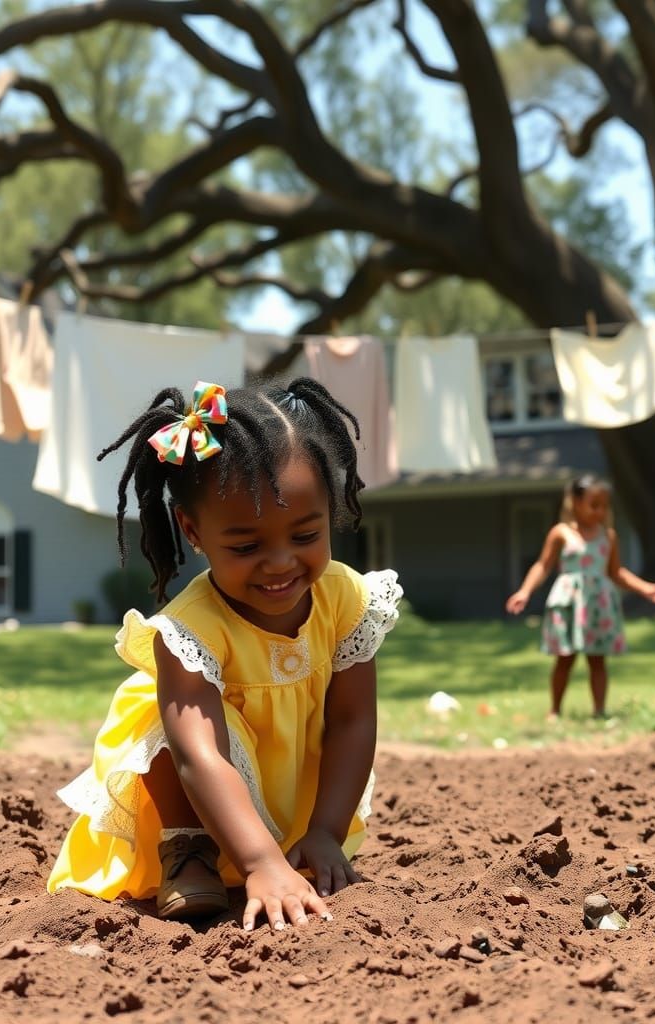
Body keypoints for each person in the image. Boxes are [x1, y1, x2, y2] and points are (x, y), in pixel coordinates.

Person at [47, 378, 402, 931]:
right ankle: (187, 850)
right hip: (197, 790)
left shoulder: (347, 600)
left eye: (305, 535)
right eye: (246, 546)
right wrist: (260, 863)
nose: (281, 562)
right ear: (193, 531)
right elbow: (200, 757)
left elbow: (354, 720)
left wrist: (327, 830)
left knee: (300, 826)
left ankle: (291, 843)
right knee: (164, 731)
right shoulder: (190, 630)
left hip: (294, 796)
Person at [505, 474, 655, 719]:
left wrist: (645, 588)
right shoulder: (561, 533)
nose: (600, 511)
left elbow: (617, 572)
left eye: (604, 506)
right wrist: (525, 591)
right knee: (565, 659)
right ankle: (555, 710)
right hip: (570, 602)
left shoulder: (609, 536)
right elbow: (543, 565)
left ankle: (599, 711)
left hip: (597, 605)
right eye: (594, 505)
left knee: (597, 660)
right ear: (575, 502)